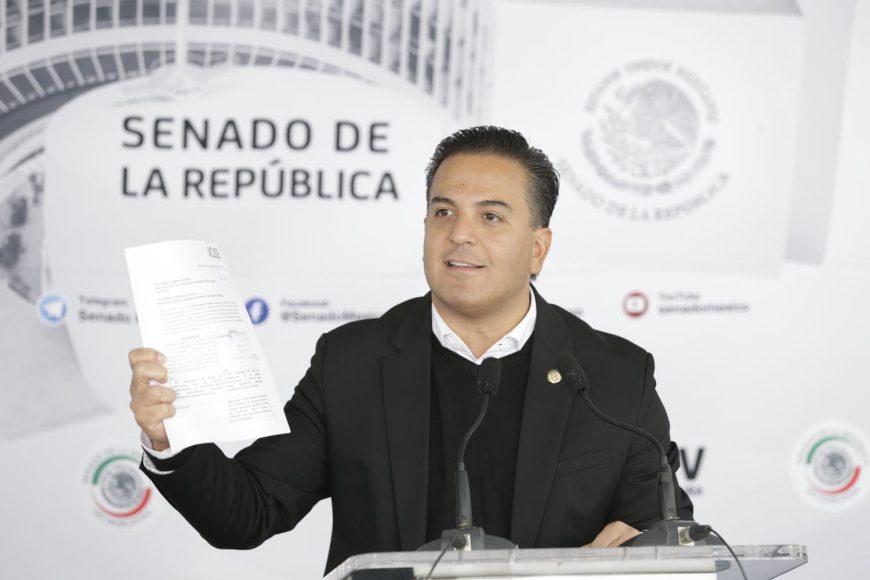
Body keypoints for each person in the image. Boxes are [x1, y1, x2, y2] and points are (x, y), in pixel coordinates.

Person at [129, 126, 693, 574]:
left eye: (490, 216)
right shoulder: (351, 362)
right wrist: (168, 437)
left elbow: (661, 529)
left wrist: (636, 551)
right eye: (443, 212)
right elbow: (247, 513)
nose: (460, 234)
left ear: (537, 249)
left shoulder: (612, 375)